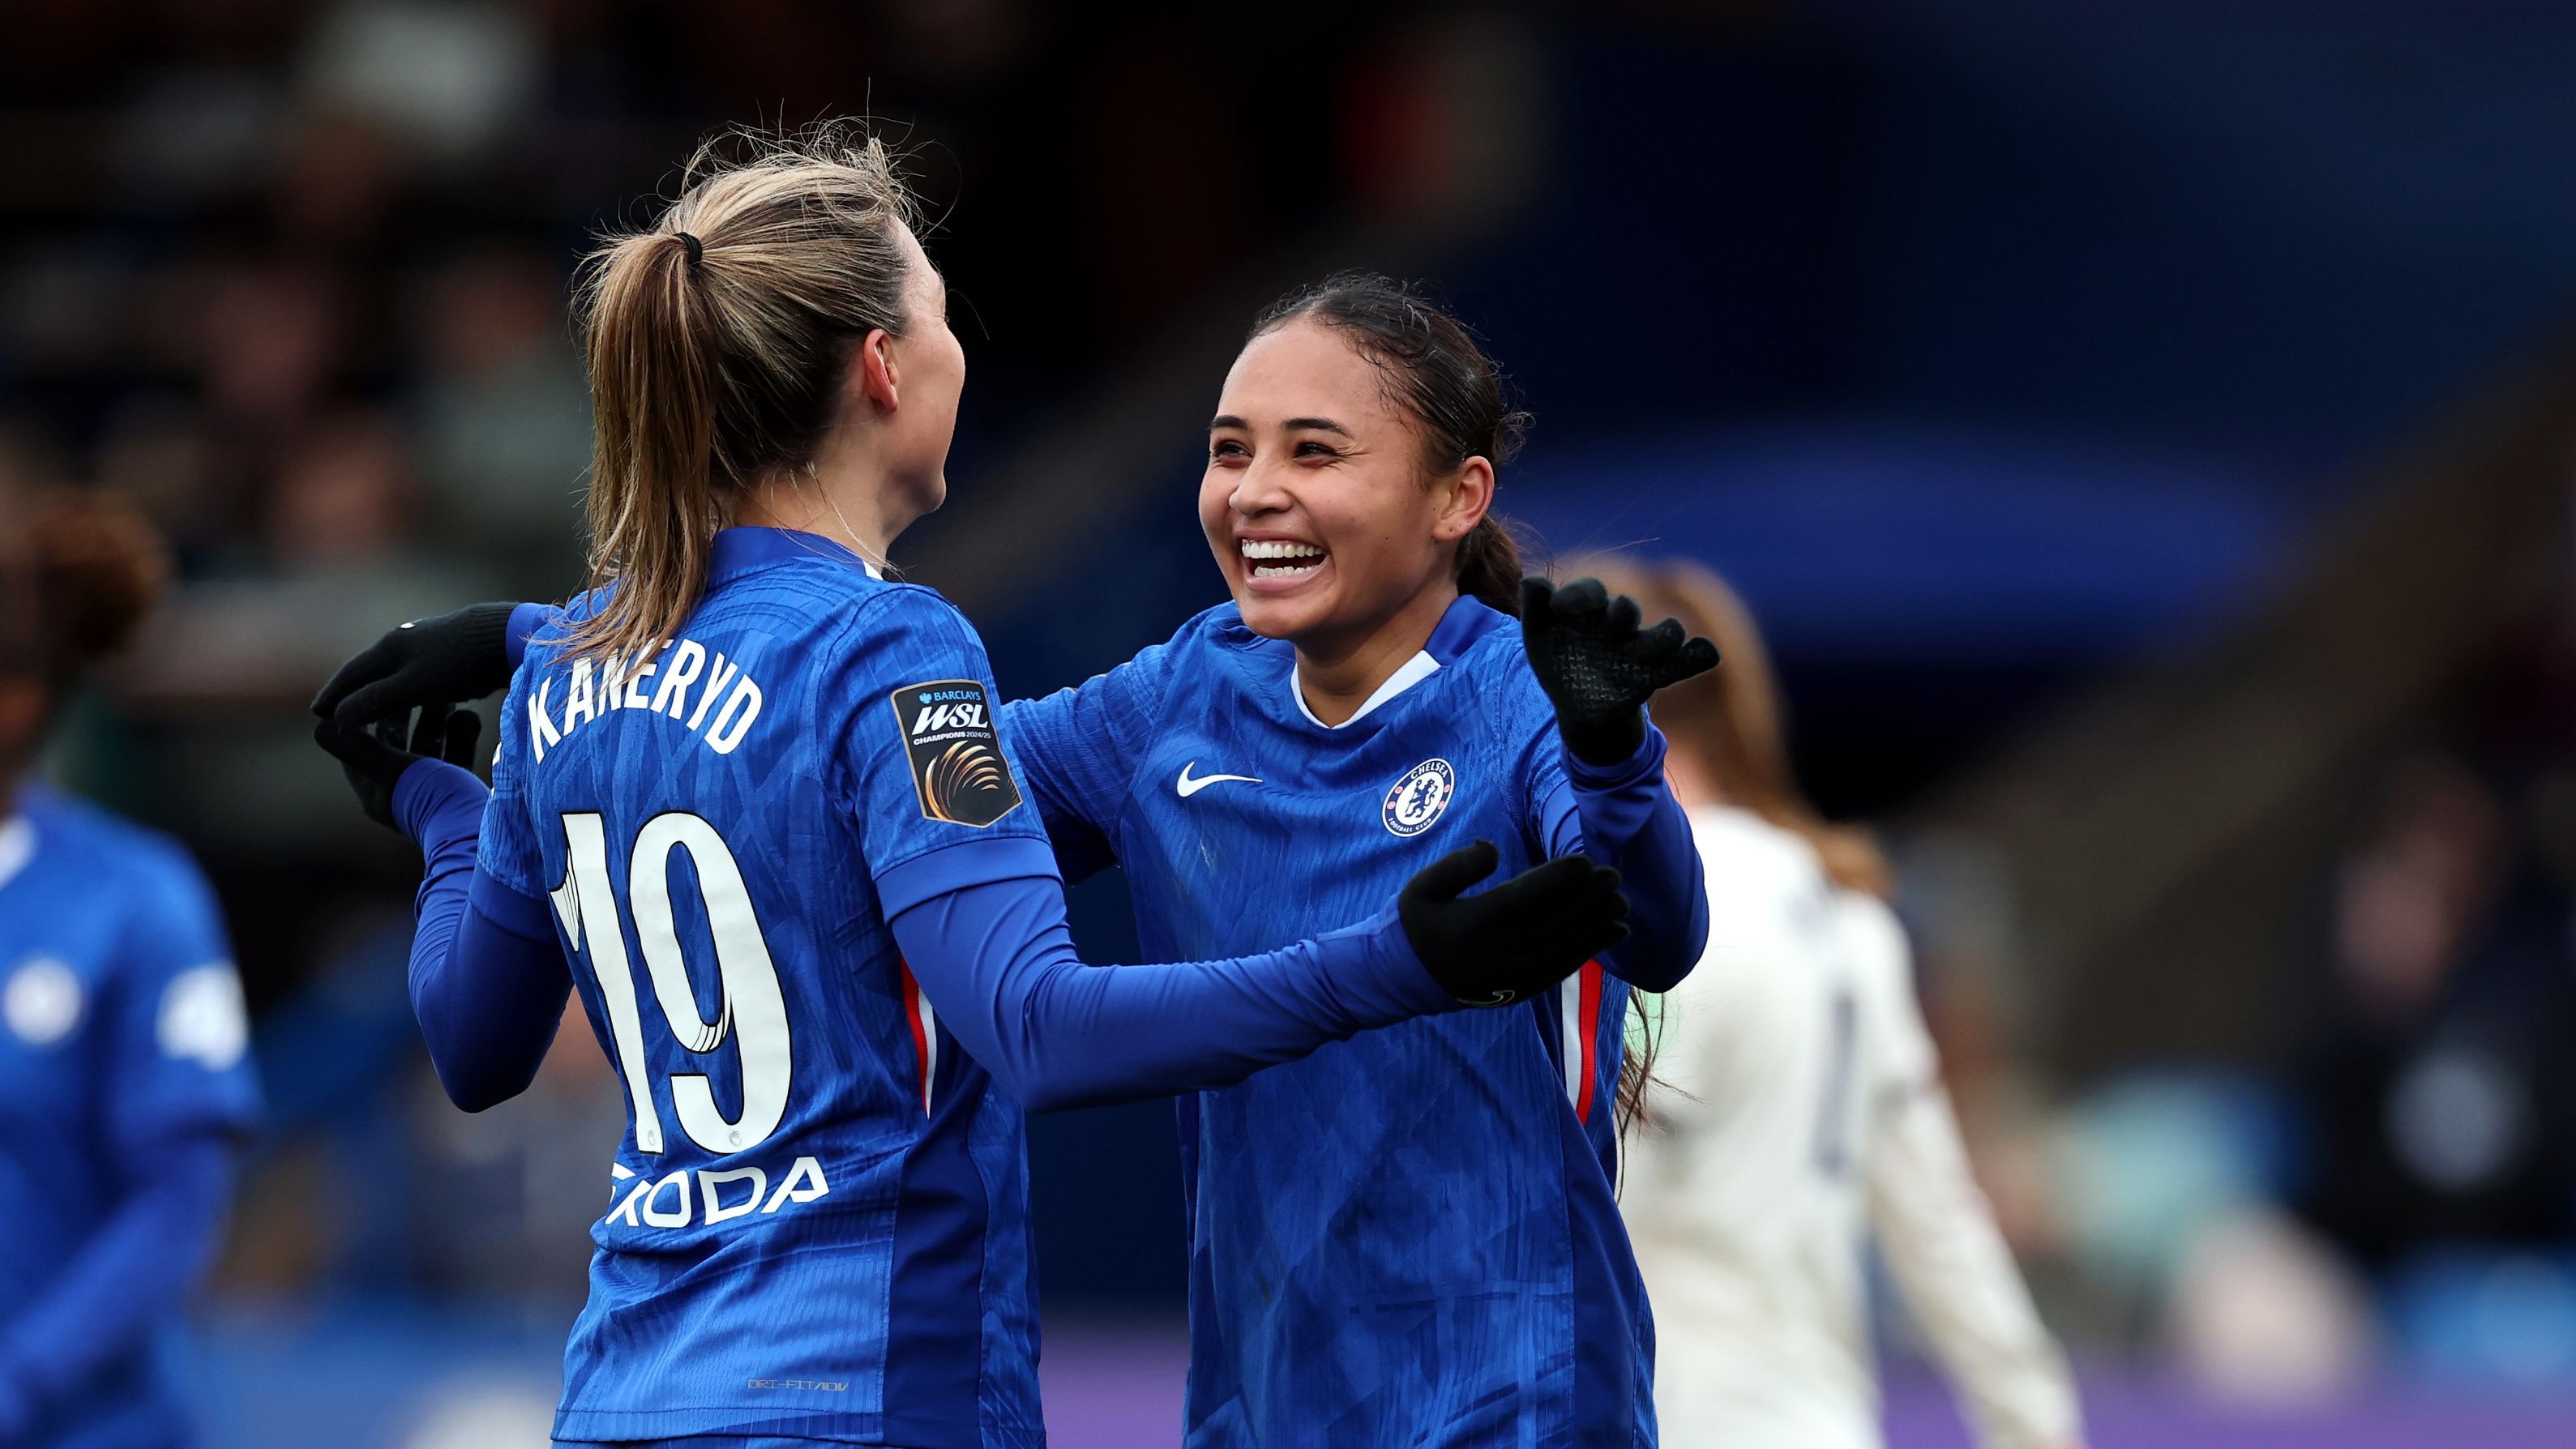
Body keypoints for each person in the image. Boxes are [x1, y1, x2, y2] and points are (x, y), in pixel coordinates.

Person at [310, 131, 1629, 1449]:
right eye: (940, 311)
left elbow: (474, 1042)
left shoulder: (568, 673)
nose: (957, 347)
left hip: (623, 1392)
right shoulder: (893, 648)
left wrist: (447, 818)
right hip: (864, 1390)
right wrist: (1393, 962)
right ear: (883, 366)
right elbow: (1036, 1025)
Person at [1590, 556, 2086, 1449]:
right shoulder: (1851, 917)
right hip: (1814, 1418)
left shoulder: (1641, 911)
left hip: (1660, 1410)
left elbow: (1605, 1182)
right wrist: (2035, 1425)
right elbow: (1938, 1218)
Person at [0, 491, 260, 1448]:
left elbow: (179, 1202)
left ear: (21, 698)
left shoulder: (136, 902)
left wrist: (19, 1383)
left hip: (94, 1428)